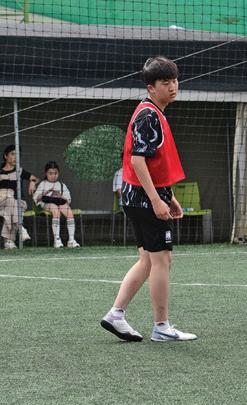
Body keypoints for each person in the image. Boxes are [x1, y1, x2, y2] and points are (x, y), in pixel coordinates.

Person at [99, 56, 196, 342]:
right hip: (144, 200)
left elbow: (155, 164)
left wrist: (170, 196)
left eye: (175, 81)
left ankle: (116, 315)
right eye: (165, 82)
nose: (173, 87)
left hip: (139, 197)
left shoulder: (153, 112)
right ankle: (161, 326)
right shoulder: (149, 115)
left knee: (147, 260)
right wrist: (156, 200)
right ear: (150, 87)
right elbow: (137, 160)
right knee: (162, 259)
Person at [33, 161, 80, 248]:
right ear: (46, 173)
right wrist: (46, 193)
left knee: (69, 212)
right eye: (50, 173)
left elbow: (68, 199)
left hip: (59, 202)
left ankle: (71, 240)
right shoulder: (43, 184)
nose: (53, 176)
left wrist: (59, 195)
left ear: (58, 173)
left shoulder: (61, 185)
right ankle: (57, 239)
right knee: (55, 210)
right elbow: (36, 198)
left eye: (55, 173)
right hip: (47, 203)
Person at [0, 144, 36, 249]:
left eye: (17, 155)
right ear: (5, 156)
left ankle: (9, 242)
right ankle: (19, 229)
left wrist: (33, 182)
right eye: (12, 154)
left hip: (15, 203)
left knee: (12, 204)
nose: (15, 157)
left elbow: (34, 178)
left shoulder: (19, 171)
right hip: (1, 201)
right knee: (10, 200)